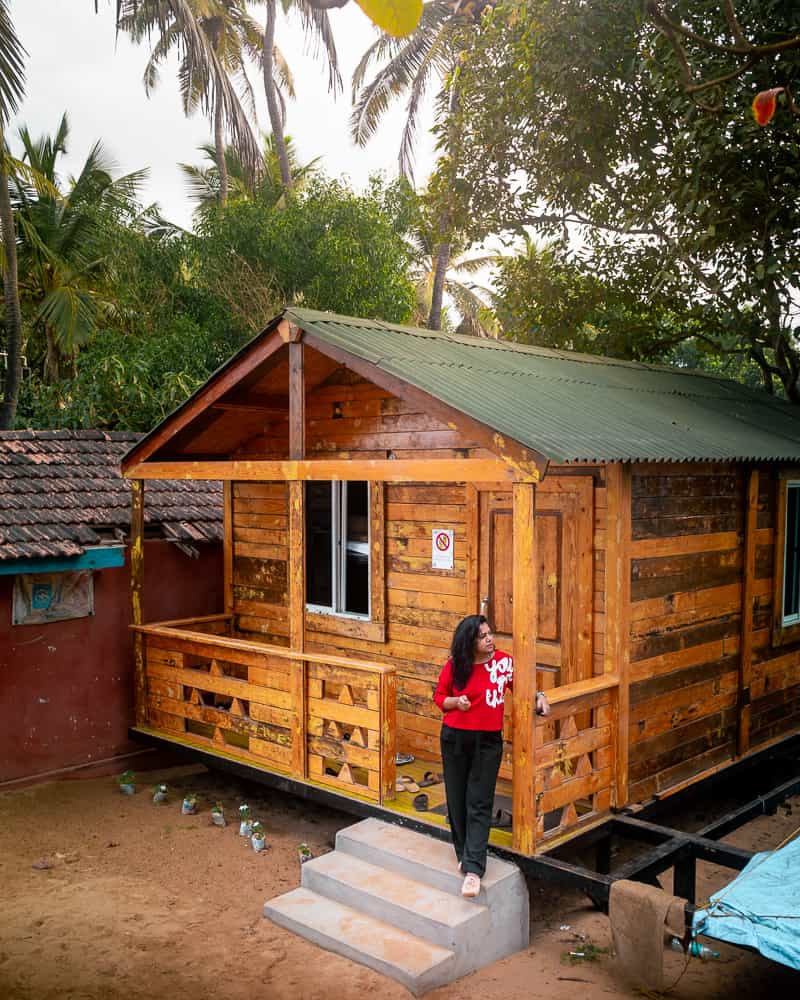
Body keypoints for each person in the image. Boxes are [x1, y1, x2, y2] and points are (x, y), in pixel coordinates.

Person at [433, 614, 550, 898]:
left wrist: (540, 697)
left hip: (488, 741)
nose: (490, 639)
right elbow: (439, 698)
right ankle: (465, 853)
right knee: (457, 800)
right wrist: (455, 703)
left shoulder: (504, 663)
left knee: (480, 800)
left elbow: (523, 689)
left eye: (490, 633)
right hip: (455, 739)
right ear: (469, 642)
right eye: (483, 636)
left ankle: (474, 869)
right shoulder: (455, 666)